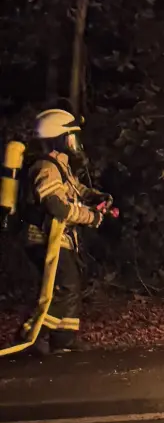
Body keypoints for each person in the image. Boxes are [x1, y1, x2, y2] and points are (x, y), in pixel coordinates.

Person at [14, 109, 110, 354]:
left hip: (60, 239)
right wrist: (91, 216)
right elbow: (56, 206)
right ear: (58, 138)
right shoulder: (46, 167)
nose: (74, 143)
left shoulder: (60, 165)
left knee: (69, 285)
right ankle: (31, 335)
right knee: (65, 286)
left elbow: (76, 190)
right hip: (43, 239)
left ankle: (63, 339)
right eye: (70, 137)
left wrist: (97, 197)